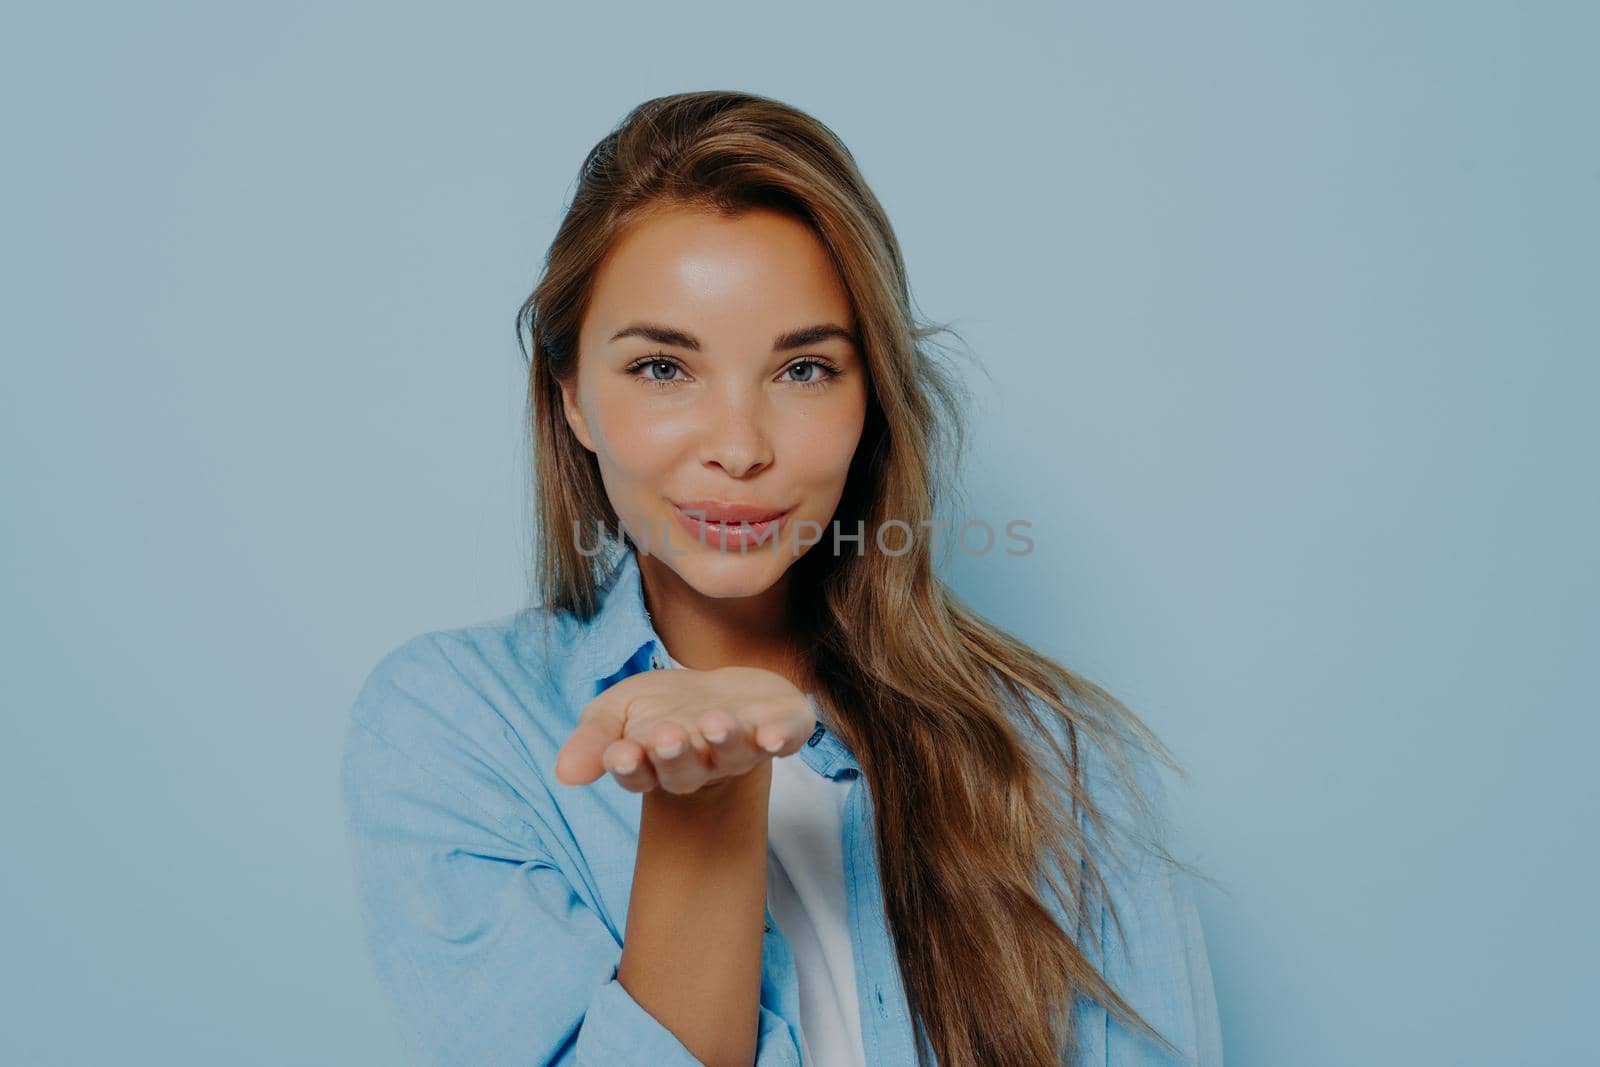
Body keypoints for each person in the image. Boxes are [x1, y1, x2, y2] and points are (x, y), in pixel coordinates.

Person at [340, 90, 1223, 1067]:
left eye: (803, 369)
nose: (738, 446)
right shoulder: (456, 725)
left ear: (871, 399)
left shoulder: (1057, 756)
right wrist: (703, 800)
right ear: (572, 396)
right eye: (662, 367)